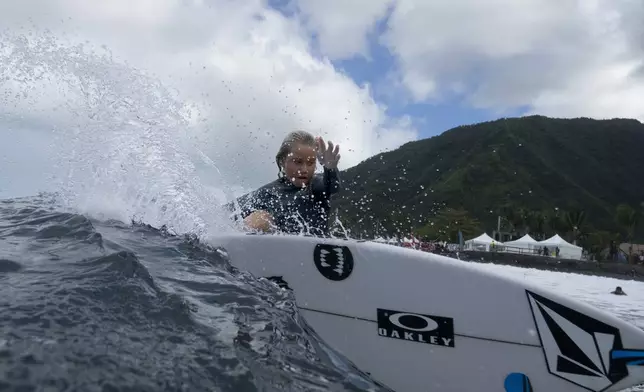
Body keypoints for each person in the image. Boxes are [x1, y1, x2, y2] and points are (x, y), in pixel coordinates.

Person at [227, 130, 341, 236]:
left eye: (311, 162)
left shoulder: (315, 186)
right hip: (277, 252)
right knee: (260, 218)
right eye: (298, 162)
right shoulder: (268, 192)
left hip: (315, 252)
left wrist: (330, 168)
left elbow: (333, 186)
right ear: (282, 161)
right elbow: (230, 214)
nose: (305, 169)